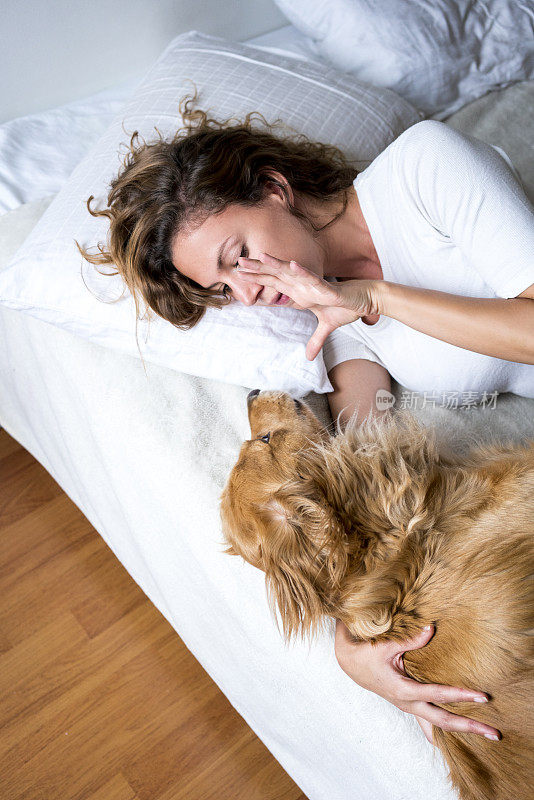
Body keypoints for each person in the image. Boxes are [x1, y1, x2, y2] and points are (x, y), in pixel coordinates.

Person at [76, 86, 534, 747]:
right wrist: (351, 648)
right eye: (223, 290)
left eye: (237, 258)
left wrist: (375, 297)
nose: (249, 292)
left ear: (273, 188)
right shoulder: (340, 332)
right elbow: (366, 487)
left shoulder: (424, 167)